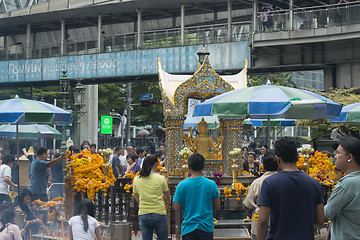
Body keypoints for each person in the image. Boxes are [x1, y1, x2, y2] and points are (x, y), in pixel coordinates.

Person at [257, 137, 324, 240]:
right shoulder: (314, 183)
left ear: (277, 159)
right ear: (297, 157)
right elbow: (320, 219)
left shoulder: (270, 183)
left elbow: (262, 221)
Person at [173, 153, 221, 240]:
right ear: (203, 167)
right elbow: (218, 206)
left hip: (188, 228)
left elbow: (176, 207)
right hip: (206, 227)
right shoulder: (211, 184)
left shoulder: (182, 185)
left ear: (189, 167)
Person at [324, 136, 360, 239]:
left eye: (338, 153)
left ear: (349, 157)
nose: (335, 156)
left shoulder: (347, 184)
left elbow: (327, 213)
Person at [133, 155, 170, 240]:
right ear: (156, 164)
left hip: (144, 213)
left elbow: (137, 198)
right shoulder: (161, 178)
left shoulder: (137, 179)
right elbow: (167, 197)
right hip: (159, 213)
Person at [243, 153, 278, 240]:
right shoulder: (283, 181)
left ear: (263, 166)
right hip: (279, 225)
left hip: (259, 227)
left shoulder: (257, 182)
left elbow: (248, 204)